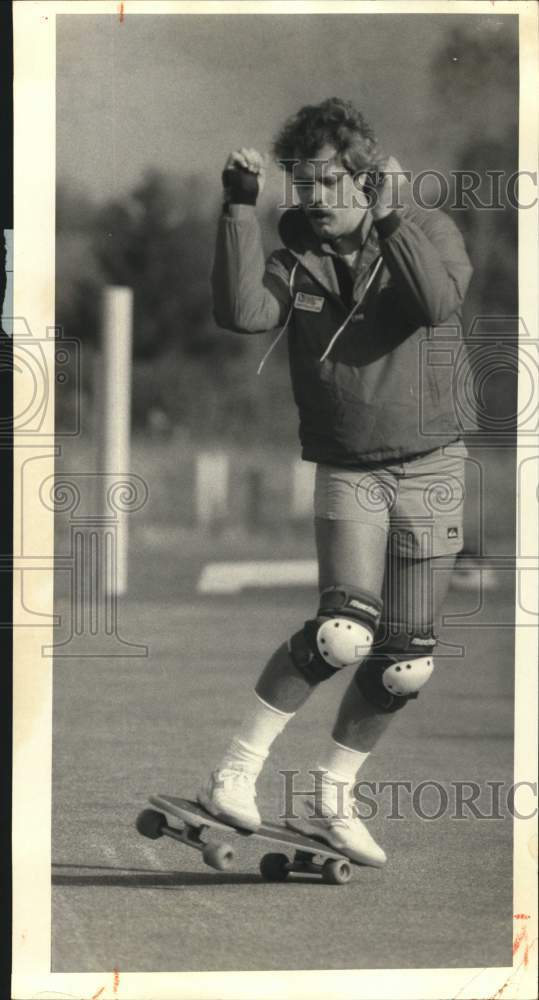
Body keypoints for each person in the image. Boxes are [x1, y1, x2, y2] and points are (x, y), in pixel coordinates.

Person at [197, 97, 473, 867]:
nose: (311, 199)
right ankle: (234, 774)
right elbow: (243, 311)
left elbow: (434, 301)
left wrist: (389, 220)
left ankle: (331, 799)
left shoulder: (430, 233)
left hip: (433, 465)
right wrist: (236, 210)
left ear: (365, 180)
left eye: (325, 183)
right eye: (300, 183)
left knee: (404, 661)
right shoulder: (298, 258)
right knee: (342, 632)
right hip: (351, 470)